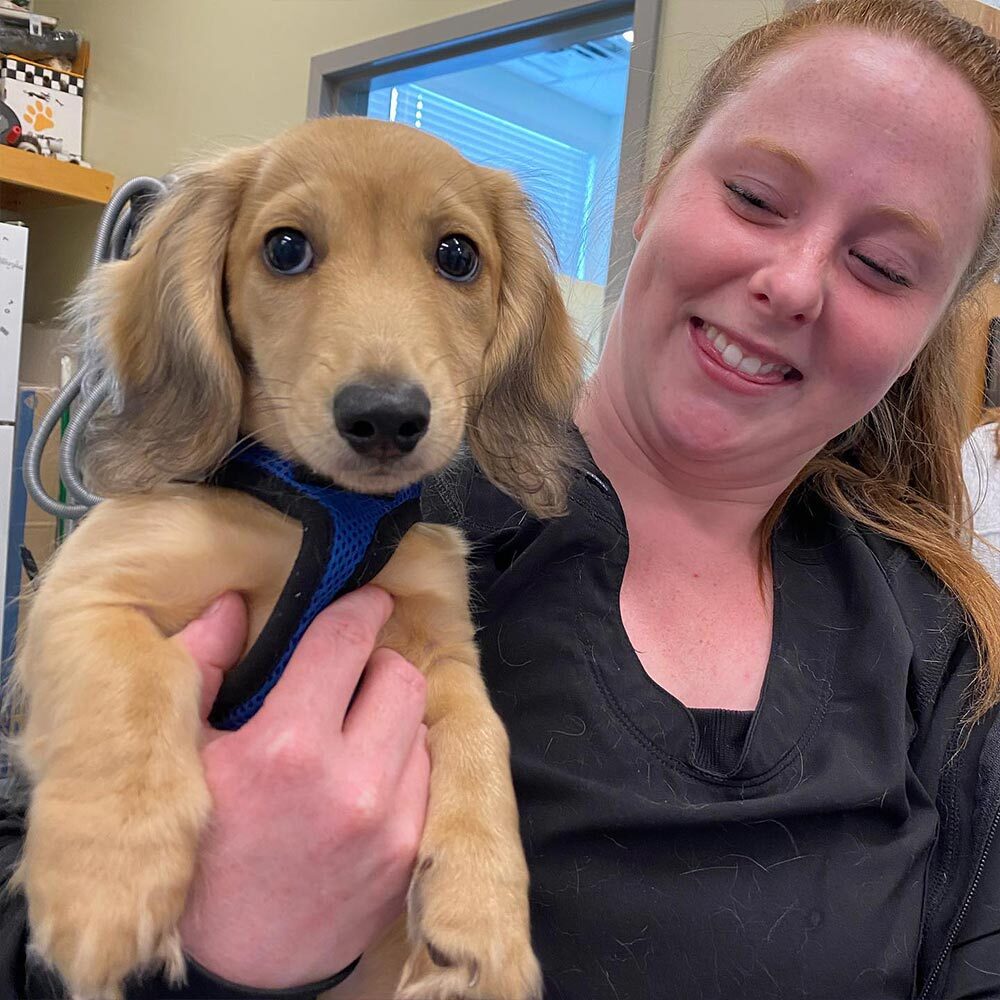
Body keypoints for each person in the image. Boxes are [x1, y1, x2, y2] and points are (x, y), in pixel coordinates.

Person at [3, 0, 1000, 997]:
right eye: (753, 195)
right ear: (654, 191)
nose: (791, 283)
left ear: (932, 325)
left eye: (884, 266)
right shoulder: (333, 508)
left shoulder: (948, 649)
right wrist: (228, 956)